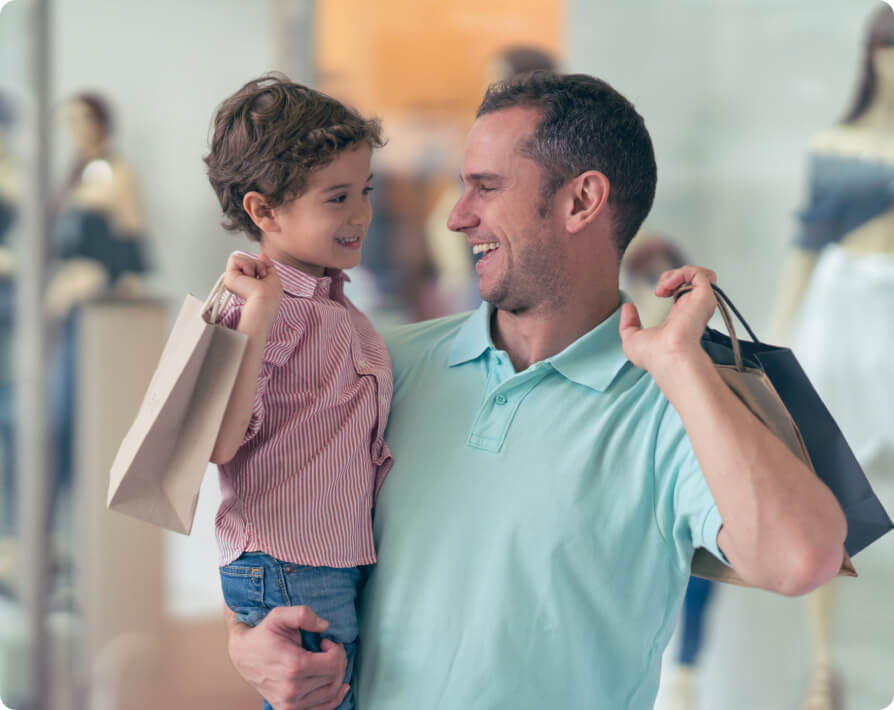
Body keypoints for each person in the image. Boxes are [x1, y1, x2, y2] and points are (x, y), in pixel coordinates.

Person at [226, 71, 847, 710]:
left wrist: (685, 368)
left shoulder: (668, 408)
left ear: (581, 201)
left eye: (485, 188)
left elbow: (799, 559)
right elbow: (273, 522)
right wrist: (247, 641)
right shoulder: (381, 365)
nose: (458, 217)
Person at [203, 75, 392, 710]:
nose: (361, 214)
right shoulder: (269, 306)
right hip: (291, 564)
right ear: (263, 211)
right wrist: (257, 312)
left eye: (364, 191)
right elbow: (221, 440)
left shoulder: (334, 308)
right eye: (337, 197)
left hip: (318, 561)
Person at [768, 6, 894, 709]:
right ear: (872, 54)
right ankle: (823, 663)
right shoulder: (835, 142)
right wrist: (775, 341)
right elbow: (806, 241)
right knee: (828, 491)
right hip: (841, 309)